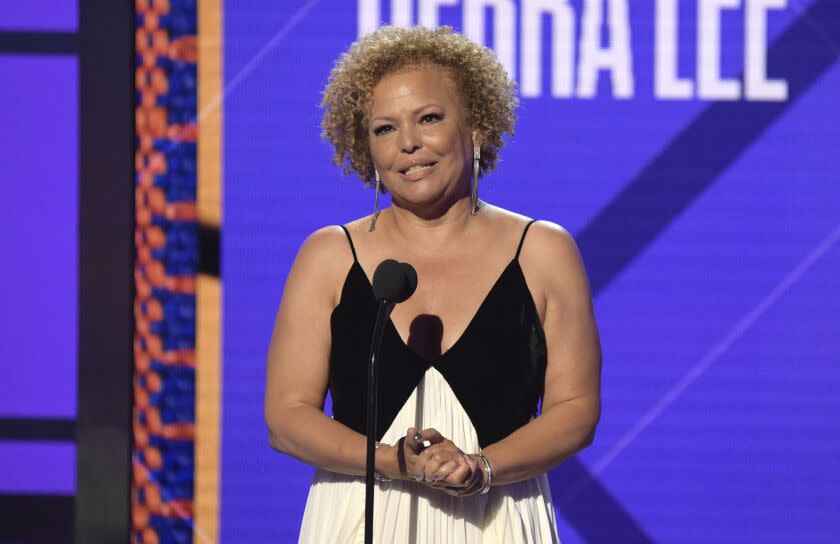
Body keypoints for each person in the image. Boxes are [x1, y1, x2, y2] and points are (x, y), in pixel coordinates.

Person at [264, 25, 602, 543]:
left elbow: (575, 410)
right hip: (360, 517)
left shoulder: (543, 251)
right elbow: (287, 418)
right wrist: (391, 463)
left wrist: (480, 468)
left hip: (498, 519)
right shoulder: (329, 255)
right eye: (383, 129)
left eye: (429, 118)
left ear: (476, 127)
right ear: (365, 148)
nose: (408, 144)